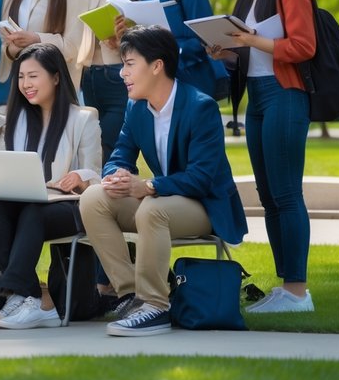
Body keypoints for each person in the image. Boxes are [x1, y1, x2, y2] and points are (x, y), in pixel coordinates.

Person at [80, 26, 247, 337]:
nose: (122, 74)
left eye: (130, 64)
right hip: (163, 202)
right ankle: (130, 296)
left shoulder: (201, 107)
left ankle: (156, 306)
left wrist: (149, 187)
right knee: (93, 198)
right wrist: (115, 176)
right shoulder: (137, 106)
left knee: (151, 210)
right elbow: (120, 154)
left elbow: (201, 178)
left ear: (157, 66)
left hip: (203, 205)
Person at [209, 0, 316, 313]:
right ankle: (286, 287)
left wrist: (254, 41)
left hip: (284, 94)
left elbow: (304, 46)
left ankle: (298, 291)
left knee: (287, 192)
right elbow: (250, 50)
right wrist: (226, 49)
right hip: (256, 95)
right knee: (269, 195)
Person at [0, 43, 103, 329]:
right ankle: (31, 296)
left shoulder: (83, 119)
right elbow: (4, 165)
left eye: (33, 76)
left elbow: (96, 173)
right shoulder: (15, 120)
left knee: (34, 211)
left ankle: (25, 297)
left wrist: (80, 177)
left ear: (56, 77)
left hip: (70, 208)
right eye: (21, 77)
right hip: (25, 205)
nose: (25, 84)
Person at [72, 0, 133, 155]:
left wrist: (123, 40)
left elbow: (144, 26)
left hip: (119, 74)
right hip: (88, 76)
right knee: (90, 152)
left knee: (109, 147)